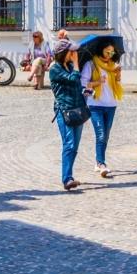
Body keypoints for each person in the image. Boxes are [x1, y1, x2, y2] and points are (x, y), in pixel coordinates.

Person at [47, 44, 88, 191]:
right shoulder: (55, 69)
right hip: (65, 111)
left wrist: (85, 91)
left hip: (77, 109)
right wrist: (77, 64)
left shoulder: (70, 67)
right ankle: (67, 179)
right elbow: (72, 79)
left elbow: (76, 84)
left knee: (74, 146)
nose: (74, 53)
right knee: (69, 144)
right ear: (64, 53)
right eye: (72, 51)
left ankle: (69, 175)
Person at [81, 40, 123, 178]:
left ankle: (98, 161)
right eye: (107, 52)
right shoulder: (91, 64)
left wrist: (117, 74)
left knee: (106, 135)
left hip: (111, 104)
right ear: (101, 50)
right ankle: (101, 164)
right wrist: (98, 82)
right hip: (95, 104)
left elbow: (116, 83)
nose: (110, 55)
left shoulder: (112, 66)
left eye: (112, 52)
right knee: (101, 134)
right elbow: (83, 84)